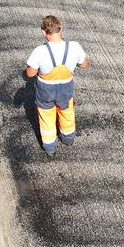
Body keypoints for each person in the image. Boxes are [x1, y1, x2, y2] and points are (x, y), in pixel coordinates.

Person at [24, 15, 89, 155]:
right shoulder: (74, 47)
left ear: (43, 32)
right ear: (61, 28)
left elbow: (30, 74)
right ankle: (68, 139)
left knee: (46, 117)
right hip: (65, 88)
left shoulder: (39, 51)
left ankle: (49, 148)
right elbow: (84, 64)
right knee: (66, 113)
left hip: (45, 90)